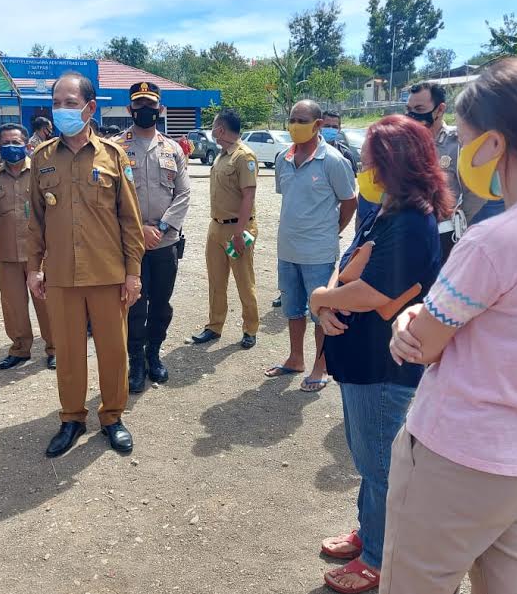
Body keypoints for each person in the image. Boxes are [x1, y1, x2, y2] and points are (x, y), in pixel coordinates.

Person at [383, 58, 517, 594]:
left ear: (493, 145)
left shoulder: (496, 238)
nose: (458, 153)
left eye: (463, 138)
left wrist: (408, 318)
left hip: (461, 452)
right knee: (511, 581)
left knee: (416, 580)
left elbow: (422, 347)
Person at [310, 115, 448, 593]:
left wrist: (323, 301)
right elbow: (347, 265)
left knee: (382, 465)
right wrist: (324, 300)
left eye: (371, 160)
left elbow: (374, 292)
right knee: (369, 457)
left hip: (383, 366)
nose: (363, 166)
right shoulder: (384, 210)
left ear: (396, 164)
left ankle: (379, 557)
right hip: (359, 358)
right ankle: (371, 532)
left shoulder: (412, 221)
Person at [28, 71, 144, 458]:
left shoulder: (113, 156)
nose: (61, 110)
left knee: (114, 351)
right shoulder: (42, 159)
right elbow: (35, 221)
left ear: (90, 108)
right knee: (69, 351)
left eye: (70, 103)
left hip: (108, 275)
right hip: (61, 275)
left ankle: (112, 417)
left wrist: (133, 274)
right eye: (56, 103)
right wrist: (33, 267)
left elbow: (130, 220)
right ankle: (72, 418)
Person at [266, 100, 356, 392]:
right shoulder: (283, 158)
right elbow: (290, 198)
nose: (294, 125)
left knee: (321, 312)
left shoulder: (332, 161)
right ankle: (295, 359)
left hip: (318, 253)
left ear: (318, 125)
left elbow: (350, 201)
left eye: (301, 120)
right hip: (287, 249)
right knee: (292, 309)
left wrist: (333, 231)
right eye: (292, 119)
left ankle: (321, 365)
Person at [113, 82, 191, 393]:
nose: (145, 109)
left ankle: (154, 354)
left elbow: (183, 194)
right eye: (139, 104)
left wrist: (161, 226)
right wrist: (139, 230)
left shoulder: (173, 149)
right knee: (134, 306)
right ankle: (136, 363)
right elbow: (110, 198)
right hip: (131, 246)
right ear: (130, 109)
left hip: (165, 243)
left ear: (159, 109)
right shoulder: (116, 148)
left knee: (160, 304)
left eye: (151, 104)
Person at [0, 123, 55, 371]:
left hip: (39, 251)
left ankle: (54, 347)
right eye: (5, 143)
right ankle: (20, 348)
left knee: (46, 301)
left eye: (16, 142)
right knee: (13, 305)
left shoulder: (39, 171)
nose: (10, 147)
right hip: (6, 252)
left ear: (26, 144)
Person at [190, 109, 259, 349]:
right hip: (216, 228)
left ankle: (250, 328)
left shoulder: (244, 157)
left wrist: (240, 234)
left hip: (238, 230)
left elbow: (248, 197)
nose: (211, 130)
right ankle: (214, 326)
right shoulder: (221, 156)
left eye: (213, 126)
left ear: (220, 129)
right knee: (216, 281)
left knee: (243, 280)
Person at [405, 82, 487, 262]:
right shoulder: (405, 143)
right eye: (409, 109)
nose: (412, 115)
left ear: (440, 109)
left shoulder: (458, 143)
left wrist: (457, 220)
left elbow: (476, 193)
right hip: (408, 233)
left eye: (419, 109)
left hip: (445, 236)